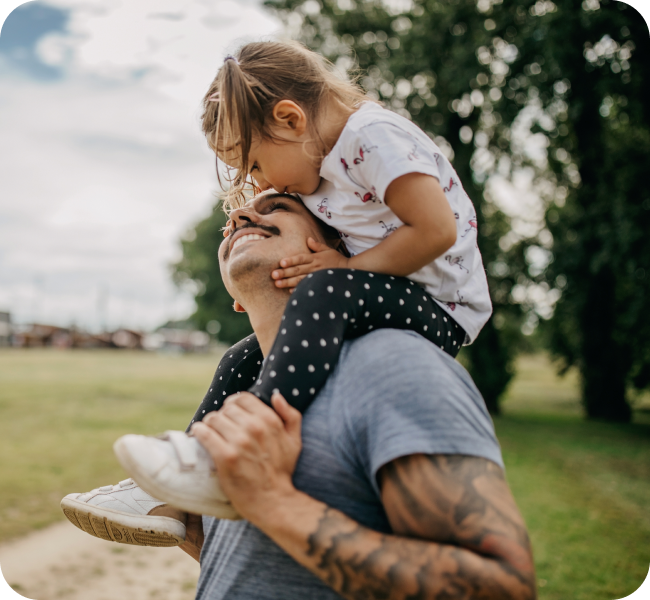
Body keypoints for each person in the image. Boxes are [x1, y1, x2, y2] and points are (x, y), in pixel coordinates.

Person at [130, 190, 536, 599]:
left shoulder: (395, 365)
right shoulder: (243, 391)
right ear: (235, 300)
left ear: (336, 248)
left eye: (277, 208)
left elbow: (502, 589)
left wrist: (273, 502)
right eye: (229, 224)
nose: (239, 216)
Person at [194, 40, 492, 411]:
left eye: (255, 165)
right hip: (376, 293)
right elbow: (289, 230)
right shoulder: (315, 166)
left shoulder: (371, 137)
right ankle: (194, 456)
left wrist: (347, 268)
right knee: (239, 359)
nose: (262, 184)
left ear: (290, 120)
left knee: (325, 289)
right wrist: (244, 237)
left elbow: (436, 231)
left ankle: (263, 420)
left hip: (440, 307)